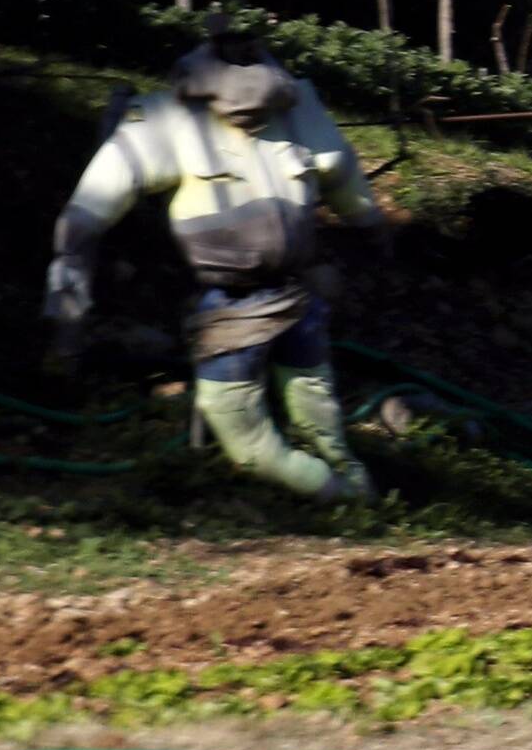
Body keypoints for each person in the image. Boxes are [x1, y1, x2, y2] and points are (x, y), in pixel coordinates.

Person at [47, 40, 394, 501]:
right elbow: (87, 214)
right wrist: (371, 227)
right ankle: (340, 490)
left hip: (281, 296)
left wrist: (370, 225)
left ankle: (344, 491)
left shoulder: (287, 113)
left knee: (287, 417)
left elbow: (344, 176)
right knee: (274, 416)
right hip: (249, 301)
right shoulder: (173, 121)